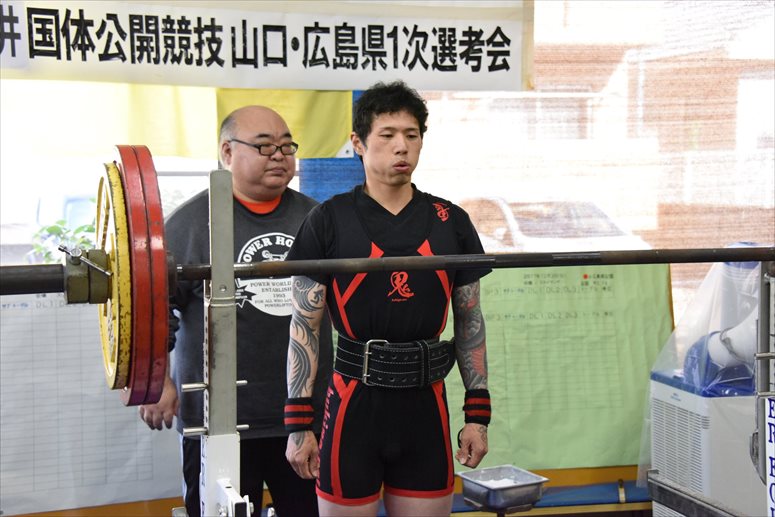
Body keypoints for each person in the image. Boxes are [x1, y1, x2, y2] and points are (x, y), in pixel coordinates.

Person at [283, 81, 491, 517]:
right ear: (358, 143)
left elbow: (470, 320)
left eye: (412, 135)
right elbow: (304, 326)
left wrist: (477, 414)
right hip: (353, 408)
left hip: (425, 409)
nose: (402, 146)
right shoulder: (328, 220)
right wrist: (299, 423)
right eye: (388, 135)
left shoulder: (451, 221)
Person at [138, 105, 333, 517]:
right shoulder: (188, 224)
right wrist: (156, 381)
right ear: (227, 152)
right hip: (217, 422)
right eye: (264, 146)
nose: (279, 156)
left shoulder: (318, 219)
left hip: (304, 419)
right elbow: (155, 310)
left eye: (287, 146)